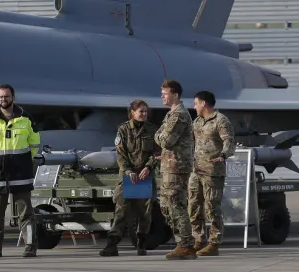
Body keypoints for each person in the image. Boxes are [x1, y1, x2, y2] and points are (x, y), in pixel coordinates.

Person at [0, 83, 40, 258]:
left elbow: (35, 144)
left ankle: (30, 246)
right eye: (0, 96)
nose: (3, 99)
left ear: (13, 97)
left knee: (26, 214)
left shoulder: (26, 119)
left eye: (6, 96)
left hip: (21, 174)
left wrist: (22, 161)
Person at [99, 99, 160, 257]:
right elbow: (121, 154)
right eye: (141, 111)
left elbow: (157, 153)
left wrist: (148, 167)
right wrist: (128, 171)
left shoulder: (152, 130)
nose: (144, 114)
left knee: (145, 213)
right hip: (128, 177)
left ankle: (141, 243)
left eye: (145, 111)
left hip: (144, 177)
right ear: (132, 113)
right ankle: (112, 244)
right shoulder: (123, 129)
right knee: (121, 211)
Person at [154, 79, 197, 260]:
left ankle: (186, 245)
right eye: (162, 93)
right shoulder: (170, 114)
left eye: (165, 94)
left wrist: (158, 136)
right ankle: (181, 242)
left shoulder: (179, 115)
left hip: (177, 168)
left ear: (175, 95)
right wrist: (160, 136)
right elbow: (160, 136)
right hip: (168, 166)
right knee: (166, 206)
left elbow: (166, 140)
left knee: (176, 205)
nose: (162, 97)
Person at [188, 90, 235, 256]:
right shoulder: (197, 122)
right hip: (196, 170)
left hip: (213, 171)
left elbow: (229, 140)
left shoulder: (220, 120)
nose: (194, 106)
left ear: (203, 103)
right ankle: (198, 240)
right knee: (193, 205)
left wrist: (223, 155)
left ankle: (214, 244)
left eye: (196, 103)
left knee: (212, 207)